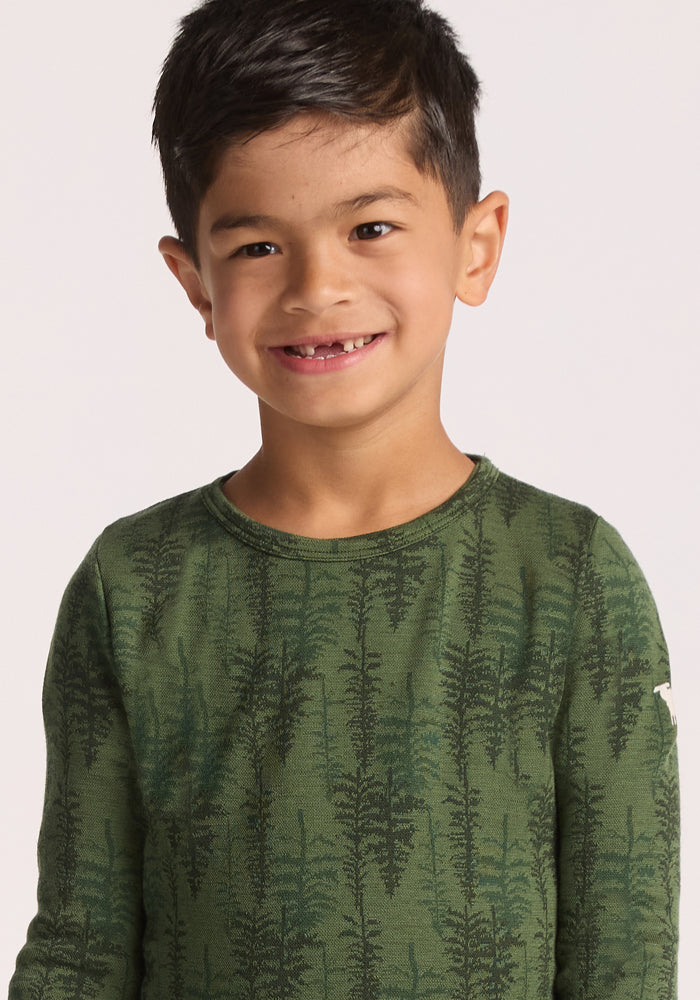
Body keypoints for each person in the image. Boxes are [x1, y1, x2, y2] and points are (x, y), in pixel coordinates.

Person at [9, 0, 679, 997]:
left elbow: (623, 960)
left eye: (371, 227)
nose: (317, 287)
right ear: (195, 284)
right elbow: (79, 950)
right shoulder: (133, 585)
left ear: (476, 245)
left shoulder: (571, 575)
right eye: (257, 247)